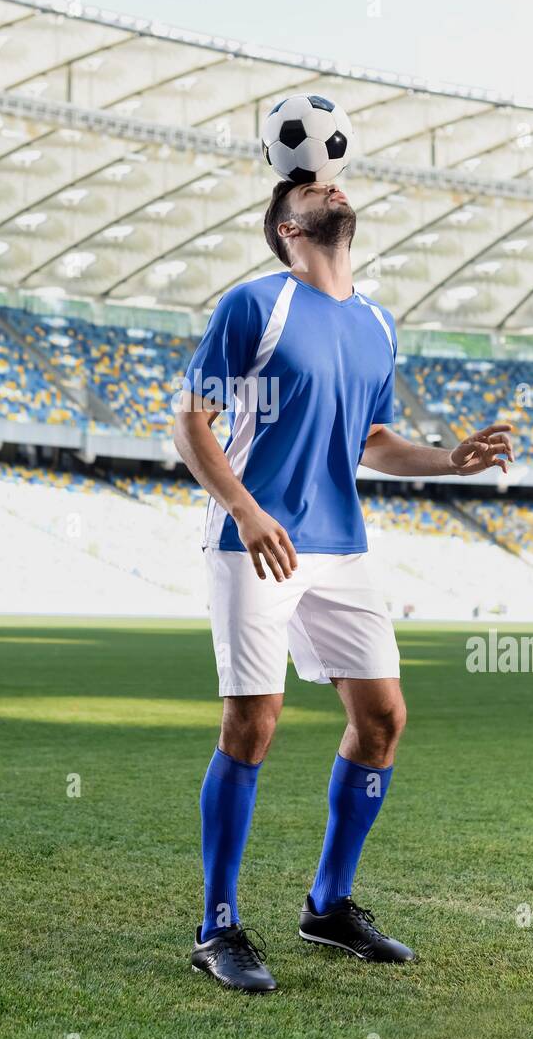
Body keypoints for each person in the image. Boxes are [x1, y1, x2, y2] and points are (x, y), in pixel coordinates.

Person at [173, 178, 513, 992]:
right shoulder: (255, 304)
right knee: (252, 725)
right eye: (306, 184)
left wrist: (447, 459)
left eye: (331, 175)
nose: (328, 182)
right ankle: (215, 927)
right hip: (255, 540)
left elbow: (372, 438)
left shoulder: (377, 321)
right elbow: (191, 421)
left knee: (383, 717)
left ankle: (326, 906)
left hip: (341, 544)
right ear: (287, 226)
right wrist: (246, 510)